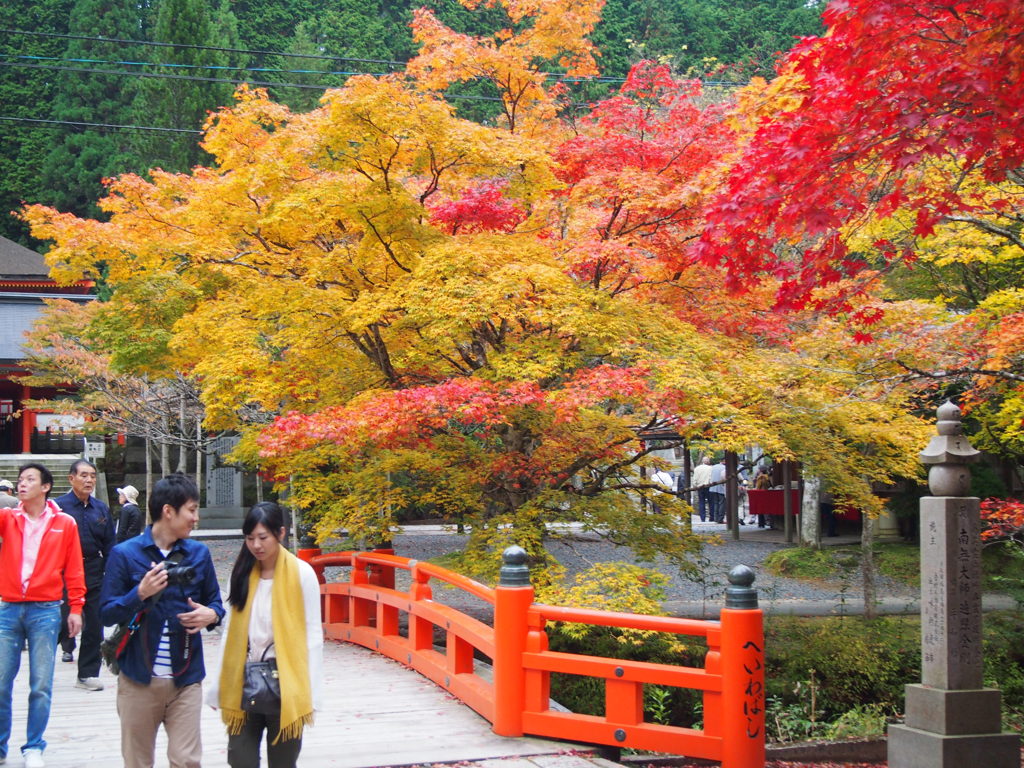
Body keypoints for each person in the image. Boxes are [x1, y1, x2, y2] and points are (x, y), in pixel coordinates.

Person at [100, 473, 224, 768]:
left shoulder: (199, 554)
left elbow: (216, 603)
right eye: (191, 510)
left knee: (186, 760)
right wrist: (139, 593)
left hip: (186, 678)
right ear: (169, 511)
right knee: (138, 761)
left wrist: (212, 615)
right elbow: (106, 613)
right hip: (138, 679)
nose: (196, 518)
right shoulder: (125, 554)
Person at [207, 502, 323, 768]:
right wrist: (219, 686)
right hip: (244, 679)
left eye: (263, 537)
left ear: (280, 533)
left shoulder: (302, 574)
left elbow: (313, 635)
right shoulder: (241, 573)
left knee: (283, 761)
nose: (256, 545)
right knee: (241, 758)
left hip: (287, 682)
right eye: (250, 538)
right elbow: (231, 633)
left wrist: (312, 693)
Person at [0, 462, 86, 768]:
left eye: (29, 479)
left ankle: (33, 746)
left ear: (46, 487)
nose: (21, 484)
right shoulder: (8, 518)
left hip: (46, 610)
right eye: (20, 480)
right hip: (9, 608)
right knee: (1, 682)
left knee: (41, 684)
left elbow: (74, 568)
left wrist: (76, 608)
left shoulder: (65, 523)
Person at [54, 459, 115, 688]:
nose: (89, 480)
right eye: (84, 475)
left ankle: (87, 674)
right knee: (60, 622)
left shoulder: (101, 508)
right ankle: (42, 669)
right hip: (63, 573)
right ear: (71, 478)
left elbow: (109, 544)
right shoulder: (57, 507)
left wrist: (112, 575)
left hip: (93, 571)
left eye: (92, 476)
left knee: (95, 626)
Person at [691, 457, 713, 522]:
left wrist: (695, 485)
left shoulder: (697, 468)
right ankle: (711, 517)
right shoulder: (710, 468)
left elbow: (695, 478)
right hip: (708, 486)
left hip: (700, 487)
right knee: (711, 502)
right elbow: (711, 477)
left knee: (701, 502)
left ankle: (702, 518)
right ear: (708, 461)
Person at [708, 458, 727, 523]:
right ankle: (720, 519)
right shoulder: (725, 468)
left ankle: (716, 518)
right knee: (722, 503)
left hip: (713, 487)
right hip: (722, 487)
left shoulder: (713, 467)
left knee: (716, 503)